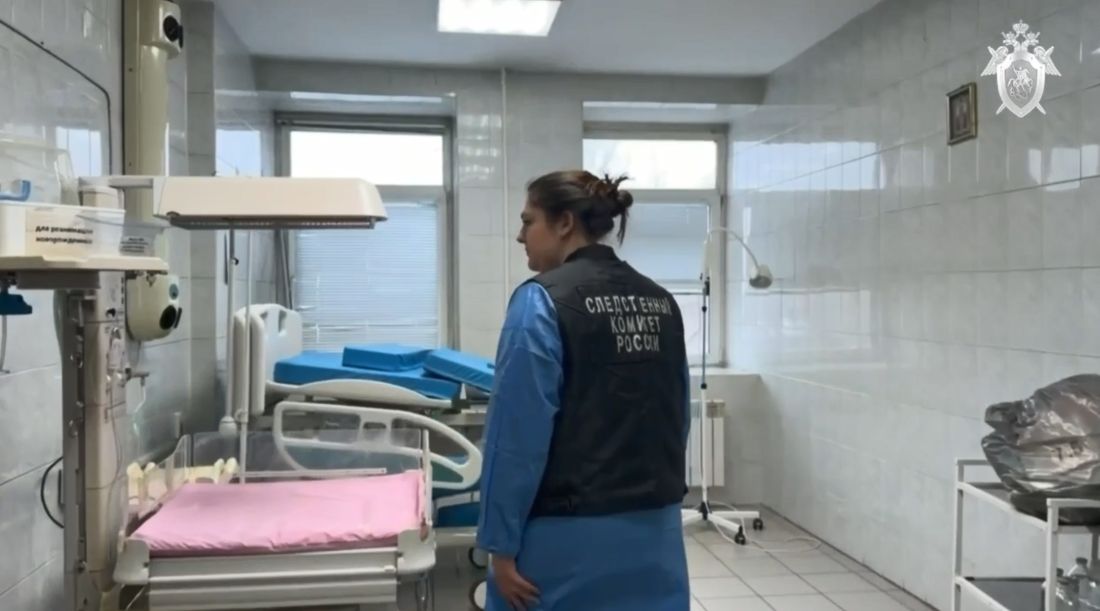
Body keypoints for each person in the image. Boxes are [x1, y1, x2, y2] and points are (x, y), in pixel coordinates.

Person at [476, 170, 692, 611]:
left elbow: (515, 441)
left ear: (564, 223)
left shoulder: (540, 302)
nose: (520, 236)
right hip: (657, 533)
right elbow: (678, 416)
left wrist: (499, 546)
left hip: (565, 536)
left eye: (528, 221)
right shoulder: (661, 301)